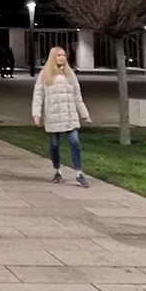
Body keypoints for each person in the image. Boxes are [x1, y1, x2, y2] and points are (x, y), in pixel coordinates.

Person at [32, 46, 92, 188]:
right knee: (54, 145)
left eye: (64, 55)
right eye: (59, 55)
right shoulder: (45, 74)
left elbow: (77, 96)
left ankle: (79, 173)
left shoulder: (70, 74)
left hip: (70, 116)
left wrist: (85, 114)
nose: (62, 57)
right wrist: (36, 114)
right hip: (53, 116)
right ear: (53, 57)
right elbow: (38, 95)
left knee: (75, 142)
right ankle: (57, 171)